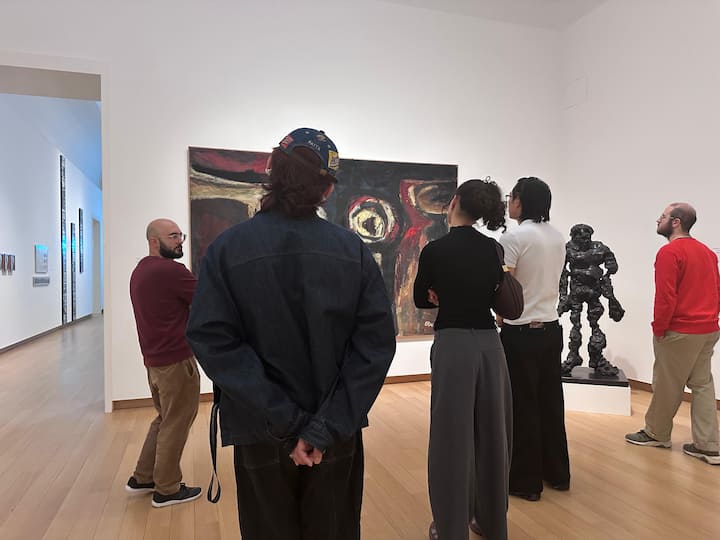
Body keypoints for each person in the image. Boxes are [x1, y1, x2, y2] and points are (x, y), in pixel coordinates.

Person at [185, 127, 396, 539]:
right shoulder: (353, 251)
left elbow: (212, 340)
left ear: (271, 169)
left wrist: (286, 420)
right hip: (334, 431)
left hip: (259, 429)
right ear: (327, 189)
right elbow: (374, 347)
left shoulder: (227, 249)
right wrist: (320, 428)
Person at [414, 178, 512, 540]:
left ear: (454, 202)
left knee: (451, 440)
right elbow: (493, 292)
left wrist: (438, 294)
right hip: (490, 346)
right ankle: (491, 523)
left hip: (453, 345)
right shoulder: (493, 249)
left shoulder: (435, 251)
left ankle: (451, 528)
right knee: (494, 436)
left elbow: (420, 298)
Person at [625, 203, 720, 465]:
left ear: (676, 222)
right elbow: (717, 289)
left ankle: (656, 433)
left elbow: (666, 296)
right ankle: (709, 445)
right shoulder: (707, 253)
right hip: (708, 329)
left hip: (680, 330)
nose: (658, 220)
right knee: (702, 385)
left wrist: (659, 328)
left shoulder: (669, 252)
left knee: (667, 383)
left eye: (663, 216)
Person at [499, 177, 570, 501]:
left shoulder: (513, 237)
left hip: (520, 331)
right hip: (551, 329)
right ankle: (558, 473)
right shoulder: (557, 236)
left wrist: (500, 316)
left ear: (521, 201)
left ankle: (525, 482)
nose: (509, 202)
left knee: (522, 404)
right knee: (550, 402)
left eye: (511, 196)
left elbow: (507, 288)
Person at [127, 218, 202, 507]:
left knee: (165, 418)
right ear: (154, 241)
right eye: (173, 236)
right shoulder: (171, 271)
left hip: (155, 362)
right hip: (175, 361)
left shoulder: (140, 271)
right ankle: (167, 489)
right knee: (177, 421)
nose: (180, 241)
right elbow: (207, 298)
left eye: (180, 235)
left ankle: (143, 476)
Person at [558, 223, 625, 377]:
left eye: (587, 236)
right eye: (581, 236)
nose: (584, 239)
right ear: (573, 237)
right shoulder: (568, 249)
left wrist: (607, 274)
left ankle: (596, 358)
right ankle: (573, 356)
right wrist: (563, 297)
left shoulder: (599, 248)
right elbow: (563, 274)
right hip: (576, 291)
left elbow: (611, 264)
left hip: (594, 291)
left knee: (594, 324)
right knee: (576, 325)